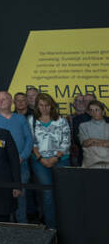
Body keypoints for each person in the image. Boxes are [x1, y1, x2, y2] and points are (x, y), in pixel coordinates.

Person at [29, 92, 70, 229]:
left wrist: (55, 157)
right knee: (47, 194)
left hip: (61, 159)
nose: (44, 108)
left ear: (51, 106)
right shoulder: (31, 120)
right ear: (37, 106)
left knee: (64, 193)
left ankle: (66, 225)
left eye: (47, 105)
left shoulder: (61, 120)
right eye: (41, 105)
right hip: (40, 161)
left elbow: (66, 141)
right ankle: (51, 227)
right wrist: (41, 159)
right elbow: (32, 143)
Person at [0, 90, 34, 223]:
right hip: (1, 167)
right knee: (5, 199)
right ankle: (9, 229)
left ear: (11, 101)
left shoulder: (20, 118)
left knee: (20, 199)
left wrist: (22, 157)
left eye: (4, 99)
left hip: (20, 164)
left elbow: (29, 139)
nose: (0, 102)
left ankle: (23, 227)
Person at [78, 100, 109, 169]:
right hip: (90, 162)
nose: (94, 112)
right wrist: (105, 143)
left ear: (103, 112)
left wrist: (93, 140)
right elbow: (85, 143)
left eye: (96, 110)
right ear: (89, 113)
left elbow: (90, 142)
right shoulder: (83, 126)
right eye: (91, 110)